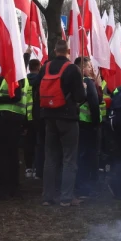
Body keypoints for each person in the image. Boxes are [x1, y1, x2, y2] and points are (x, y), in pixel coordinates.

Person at [37, 40, 86, 207]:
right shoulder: (73, 69)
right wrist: (84, 88)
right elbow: (80, 97)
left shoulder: (45, 67)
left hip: (49, 117)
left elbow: (37, 89)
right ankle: (66, 197)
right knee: (69, 158)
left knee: (50, 157)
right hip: (68, 118)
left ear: (54, 50)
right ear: (68, 51)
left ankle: (47, 197)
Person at [0, 68, 27, 201]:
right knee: (11, 155)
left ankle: (8, 187)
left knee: (7, 155)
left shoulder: (15, 74)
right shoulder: (16, 74)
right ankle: (12, 187)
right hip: (13, 118)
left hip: (10, 119)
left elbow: (16, 95)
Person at [74, 57, 101, 201]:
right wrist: (97, 124)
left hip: (76, 123)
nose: (91, 69)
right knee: (90, 156)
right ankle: (87, 189)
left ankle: (78, 186)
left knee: (79, 156)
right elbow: (94, 104)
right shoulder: (87, 82)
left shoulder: (72, 82)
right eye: (89, 66)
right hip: (89, 124)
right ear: (82, 68)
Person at [23, 58, 42, 178]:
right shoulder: (41, 81)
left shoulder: (23, 80)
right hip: (38, 116)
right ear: (39, 67)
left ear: (29, 68)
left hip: (24, 116)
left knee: (28, 143)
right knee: (39, 143)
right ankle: (38, 168)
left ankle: (28, 168)